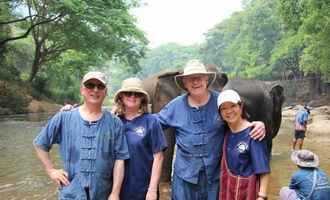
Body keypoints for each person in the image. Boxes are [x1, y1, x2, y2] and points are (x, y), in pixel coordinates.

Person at [156, 59, 266, 200]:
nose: (195, 82)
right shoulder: (175, 106)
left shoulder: (221, 102)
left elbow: (238, 121)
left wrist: (258, 124)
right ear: (184, 83)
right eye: (191, 79)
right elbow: (153, 125)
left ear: (206, 79)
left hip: (214, 178)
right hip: (184, 178)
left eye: (199, 78)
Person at [33, 71, 130, 200]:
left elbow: (120, 159)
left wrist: (115, 193)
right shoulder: (63, 118)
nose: (95, 90)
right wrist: (51, 170)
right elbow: (40, 144)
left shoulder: (115, 123)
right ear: (82, 90)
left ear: (105, 92)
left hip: (102, 193)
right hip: (71, 193)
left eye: (100, 86)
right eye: (90, 85)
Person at [113, 77, 167, 200]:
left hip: (144, 189)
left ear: (142, 97)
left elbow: (158, 157)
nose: (132, 96)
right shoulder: (114, 122)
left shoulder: (151, 121)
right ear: (121, 96)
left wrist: (152, 190)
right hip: (117, 190)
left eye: (137, 94)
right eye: (128, 93)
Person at [217, 89, 270, 200]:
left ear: (241, 107)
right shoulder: (226, 132)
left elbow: (263, 170)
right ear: (220, 113)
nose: (229, 111)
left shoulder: (254, 133)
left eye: (233, 106)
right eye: (224, 108)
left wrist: (262, 196)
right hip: (229, 191)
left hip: (248, 193)